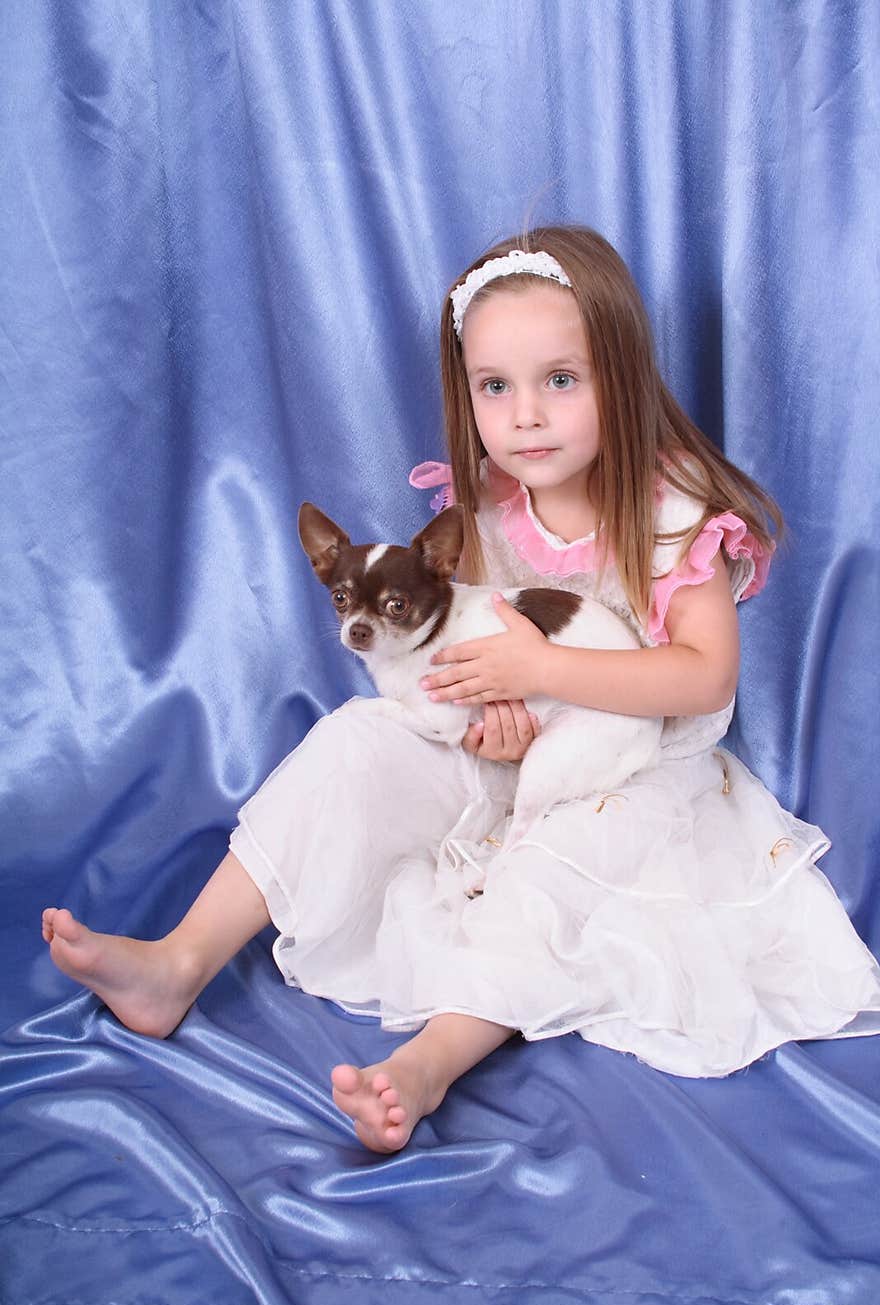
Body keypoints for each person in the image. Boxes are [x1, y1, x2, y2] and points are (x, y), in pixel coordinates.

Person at [42, 225, 880, 1154]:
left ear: (624, 377)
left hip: (642, 774)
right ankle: (178, 961)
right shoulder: (478, 509)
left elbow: (704, 674)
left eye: (561, 380)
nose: (526, 416)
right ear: (467, 394)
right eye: (496, 387)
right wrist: (499, 723)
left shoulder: (670, 509)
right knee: (358, 739)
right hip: (519, 756)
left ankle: (428, 1063)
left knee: (552, 868)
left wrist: (543, 672)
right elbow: (468, 661)